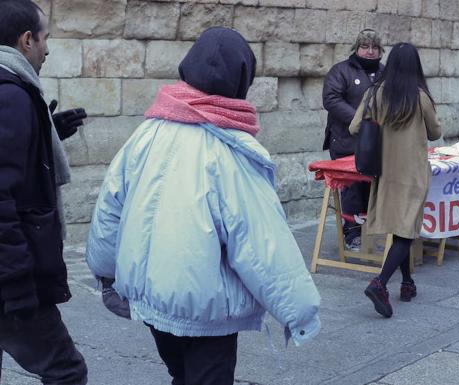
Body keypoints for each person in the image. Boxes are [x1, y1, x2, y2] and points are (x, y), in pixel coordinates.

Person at [85, 27, 321, 385]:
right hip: (207, 311)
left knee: (181, 373)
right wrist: (300, 313)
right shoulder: (232, 151)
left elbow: (110, 209)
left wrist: (105, 272)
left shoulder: (147, 132)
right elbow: (261, 241)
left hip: (152, 301)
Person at [0, 0, 88, 383]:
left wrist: (47, 129)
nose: (48, 48)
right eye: (45, 37)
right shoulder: (11, 95)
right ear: (26, 40)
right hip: (10, 279)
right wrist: (17, 284)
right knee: (66, 371)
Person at [349, 43, 442, 318]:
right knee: (406, 230)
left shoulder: (373, 93)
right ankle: (379, 283)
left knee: (399, 228)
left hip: (385, 172)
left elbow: (354, 127)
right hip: (412, 173)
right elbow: (436, 133)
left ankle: (407, 283)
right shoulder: (419, 96)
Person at [322, 29, 384, 251]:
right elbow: (331, 99)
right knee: (351, 188)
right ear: (356, 49)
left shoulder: (385, 73)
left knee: (371, 187)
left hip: (375, 143)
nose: (370, 52)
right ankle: (351, 232)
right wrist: (359, 120)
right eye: (365, 47)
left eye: (374, 48)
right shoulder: (341, 71)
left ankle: (370, 230)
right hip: (345, 140)